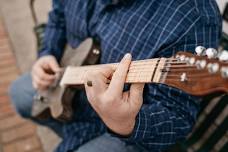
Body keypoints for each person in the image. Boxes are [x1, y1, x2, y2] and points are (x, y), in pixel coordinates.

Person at [9, 0, 222, 152]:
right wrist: (47, 53)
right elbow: (58, 15)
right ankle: (73, 133)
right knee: (19, 93)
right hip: (69, 84)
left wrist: (128, 124)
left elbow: (178, 116)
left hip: (127, 130)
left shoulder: (195, 13)